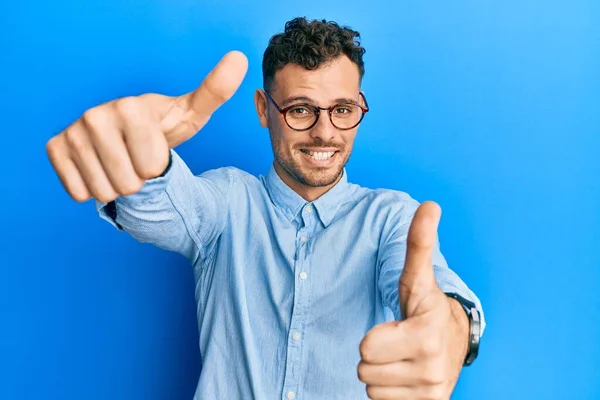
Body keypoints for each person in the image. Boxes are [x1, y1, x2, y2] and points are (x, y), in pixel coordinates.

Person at [46, 16, 485, 400]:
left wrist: (451, 329)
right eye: (300, 110)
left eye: (343, 109)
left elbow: (431, 294)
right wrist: (137, 158)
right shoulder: (227, 202)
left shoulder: (392, 218)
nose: (324, 132)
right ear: (263, 109)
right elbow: (162, 208)